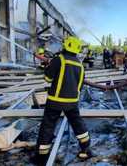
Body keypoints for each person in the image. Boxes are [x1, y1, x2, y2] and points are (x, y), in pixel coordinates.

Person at [35, 36, 92, 165]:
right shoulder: (80, 65)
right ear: (77, 49)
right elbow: (80, 86)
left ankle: (42, 157)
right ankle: (86, 149)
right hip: (72, 102)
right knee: (78, 124)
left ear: (66, 46)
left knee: (48, 127)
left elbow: (48, 79)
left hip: (55, 101)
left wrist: (47, 67)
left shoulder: (59, 59)